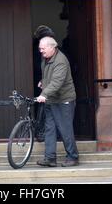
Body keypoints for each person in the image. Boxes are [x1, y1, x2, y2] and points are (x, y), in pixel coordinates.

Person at [36, 36, 79, 167]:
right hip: (52, 100)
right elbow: (49, 77)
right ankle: (50, 158)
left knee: (65, 129)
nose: (41, 51)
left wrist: (44, 94)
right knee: (50, 128)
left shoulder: (61, 61)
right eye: (40, 49)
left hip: (63, 100)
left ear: (52, 47)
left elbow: (57, 82)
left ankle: (73, 157)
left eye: (43, 49)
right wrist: (43, 82)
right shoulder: (45, 58)